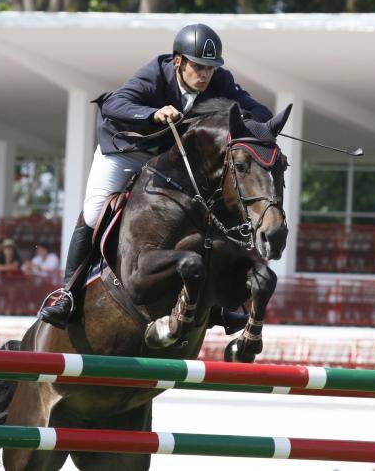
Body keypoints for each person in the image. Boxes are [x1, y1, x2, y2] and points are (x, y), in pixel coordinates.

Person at [39, 23, 273, 328]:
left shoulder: (221, 81)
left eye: (210, 69)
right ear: (178, 62)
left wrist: (247, 120)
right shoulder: (154, 74)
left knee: (207, 209)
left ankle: (218, 302)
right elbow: (114, 105)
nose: (205, 75)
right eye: (198, 67)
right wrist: (152, 114)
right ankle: (67, 292)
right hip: (125, 150)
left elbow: (261, 113)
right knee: (95, 212)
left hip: (166, 158)